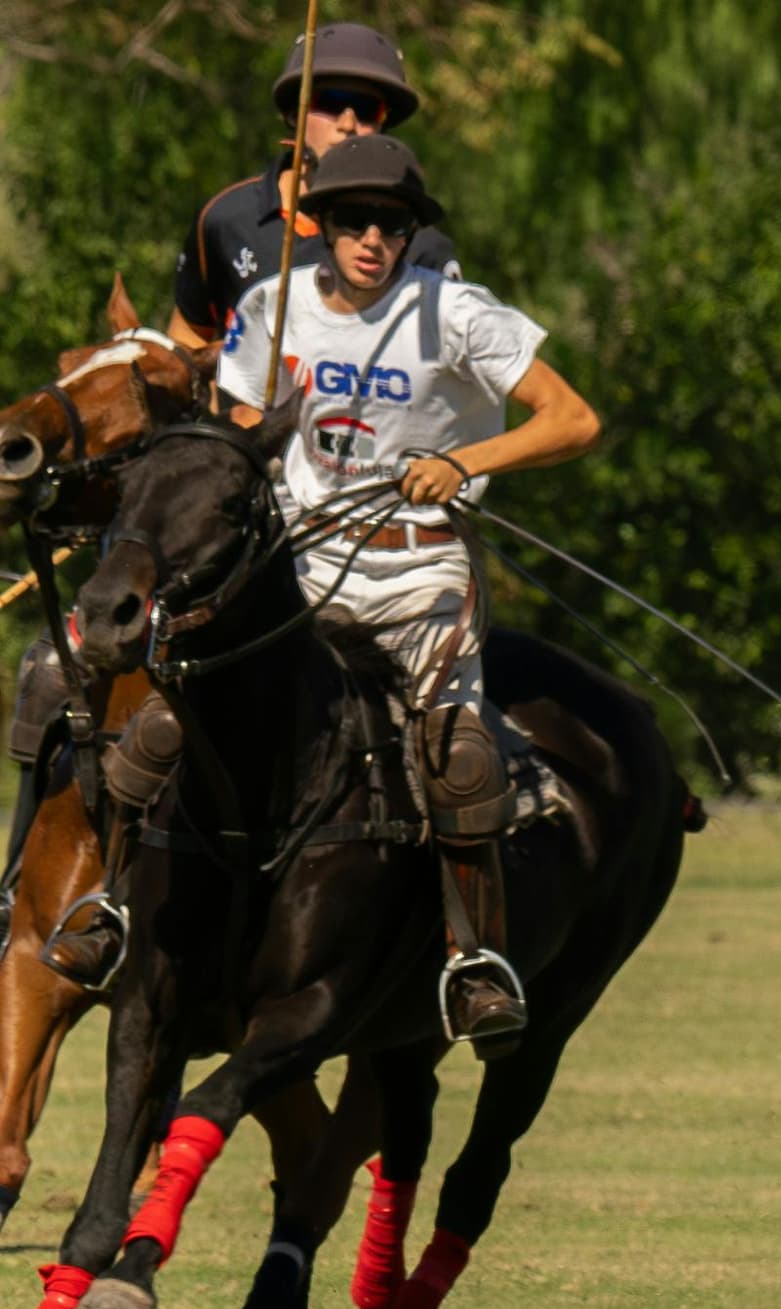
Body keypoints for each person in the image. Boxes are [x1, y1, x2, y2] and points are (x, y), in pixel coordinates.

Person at [122, 135, 597, 1054]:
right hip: (297, 564)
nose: (373, 237)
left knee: (456, 755)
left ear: (412, 232)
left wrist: (464, 460)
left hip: (418, 570)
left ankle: (475, 960)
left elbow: (574, 420)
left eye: (392, 222)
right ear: (321, 226)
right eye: (353, 221)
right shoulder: (270, 309)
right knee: (160, 722)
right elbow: (241, 432)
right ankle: (102, 909)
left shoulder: (456, 315)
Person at [167, 23, 458, 357]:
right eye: (331, 103)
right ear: (294, 111)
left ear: (383, 125)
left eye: (367, 110)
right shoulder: (225, 219)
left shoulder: (419, 243)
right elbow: (189, 333)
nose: (347, 125)